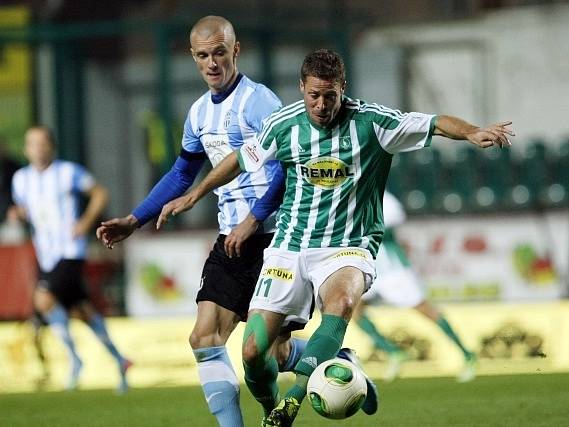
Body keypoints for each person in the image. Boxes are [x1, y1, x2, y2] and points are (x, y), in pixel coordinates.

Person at [157, 48, 514, 426]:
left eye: (331, 95)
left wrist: (473, 131)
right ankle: (279, 405)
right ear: (302, 88)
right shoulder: (284, 124)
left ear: (343, 88)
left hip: (348, 247)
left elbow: (434, 123)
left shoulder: (373, 122)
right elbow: (240, 159)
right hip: (289, 249)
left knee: (342, 302)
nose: (322, 104)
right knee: (253, 354)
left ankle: (292, 400)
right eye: (314, 95)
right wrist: (196, 193)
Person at [96, 16, 308, 427]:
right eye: (202, 55)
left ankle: (331, 358)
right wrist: (135, 219)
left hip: (277, 237)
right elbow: (181, 173)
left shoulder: (258, 101)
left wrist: (255, 216)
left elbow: (290, 165)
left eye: (219, 53)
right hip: (232, 239)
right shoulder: (197, 113)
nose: (212, 63)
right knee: (204, 338)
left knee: (268, 355)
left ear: (236, 50)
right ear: (193, 58)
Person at [9, 125, 131, 392]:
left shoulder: (68, 172)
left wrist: (85, 222)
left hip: (70, 251)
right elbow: (28, 211)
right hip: (47, 255)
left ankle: (74, 359)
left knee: (43, 300)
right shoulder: (20, 179)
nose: (38, 149)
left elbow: (100, 193)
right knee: (82, 311)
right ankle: (119, 360)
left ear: (51, 146)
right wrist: (18, 214)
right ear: (26, 149)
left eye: (43, 143)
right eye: (33, 144)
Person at [353, 190, 477, 383]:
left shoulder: (382, 196)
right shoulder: (349, 195)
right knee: (354, 311)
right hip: (367, 265)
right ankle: (393, 352)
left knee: (425, 310)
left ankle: (467, 355)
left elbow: (390, 225)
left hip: (392, 268)